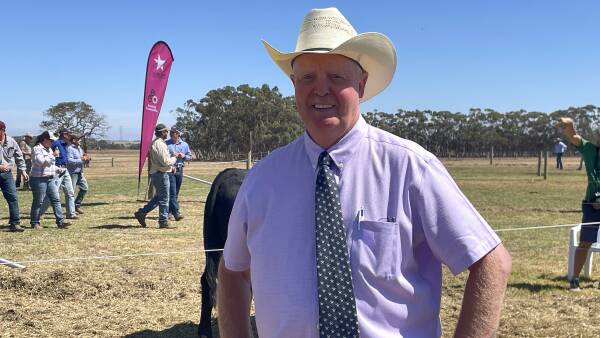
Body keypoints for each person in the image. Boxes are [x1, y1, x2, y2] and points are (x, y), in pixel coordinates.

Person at [218, 8, 512, 338]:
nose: (321, 90)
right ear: (293, 84)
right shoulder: (262, 180)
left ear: (361, 83)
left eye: (336, 77)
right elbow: (233, 272)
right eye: (308, 78)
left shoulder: (409, 167)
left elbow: (491, 262)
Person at [558, 117, 600, 291]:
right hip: (592, 205)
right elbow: (574, 137)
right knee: (585, 242)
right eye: (599, 133)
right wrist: (569, 125)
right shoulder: (590, 150)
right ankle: (574, 279)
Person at [134, 123, 177, 229]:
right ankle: (163, 221)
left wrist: (170, 168)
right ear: (162, 132)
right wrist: (174, 158)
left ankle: (142, 213)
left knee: (159, 197)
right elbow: (165, 162)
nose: (168, 133)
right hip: (161, 174)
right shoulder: (160, 144)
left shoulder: (156, 143)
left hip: (157, 173)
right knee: (164, 199)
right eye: (166, 131)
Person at [29, 131, 70, 229]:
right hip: (38, 179)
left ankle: (60, 222)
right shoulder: (37, 149)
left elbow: (50, 165)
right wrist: (53, 156)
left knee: (56, 199)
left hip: (50, 178)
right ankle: (35, 222)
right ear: (45, 139)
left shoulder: (49, 150)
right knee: (38, 201)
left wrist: (58, 169)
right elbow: (40, 162)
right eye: (51, 140)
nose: (52, 142)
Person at [40, 128, 77, 219]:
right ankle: (38, 213)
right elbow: (47, 153)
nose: (69, 136)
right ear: (64, 134)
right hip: (57, 169)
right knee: (52, 194)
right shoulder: (56, 143)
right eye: (68, 134)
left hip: (65, 169)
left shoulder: (65, 144)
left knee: (70, 192)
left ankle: (71, 213)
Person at [0, 121, 27, 232]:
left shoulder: (11, 141)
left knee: (13, 198)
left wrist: (23, 171)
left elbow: (19, 157)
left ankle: (15, 223)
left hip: (7, 175)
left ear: (3, 130)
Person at [166, 126, 192, 221]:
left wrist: (183, 155)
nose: (172, 134)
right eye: (171, 132)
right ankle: (175, 212)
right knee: (172, 192)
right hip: (170, 170)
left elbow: (189, 156)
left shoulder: (184, 145)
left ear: (178, 134)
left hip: (180, 170)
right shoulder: (166, 144)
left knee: (175, 192)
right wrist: (172, 156)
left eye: (174, 132)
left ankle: (169, 211)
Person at [67, 134, 89, 214]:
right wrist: (81, 159)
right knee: (71, 192)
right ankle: (71, 210)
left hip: (80, 172)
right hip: (72, 173)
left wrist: (86, 159)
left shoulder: (80, 149)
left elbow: (83, 158)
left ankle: (76, 205)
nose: (80, 140)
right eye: (78, 139)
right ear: (73, 140)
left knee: (84, 188)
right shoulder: (69, 149)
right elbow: (69, 161)